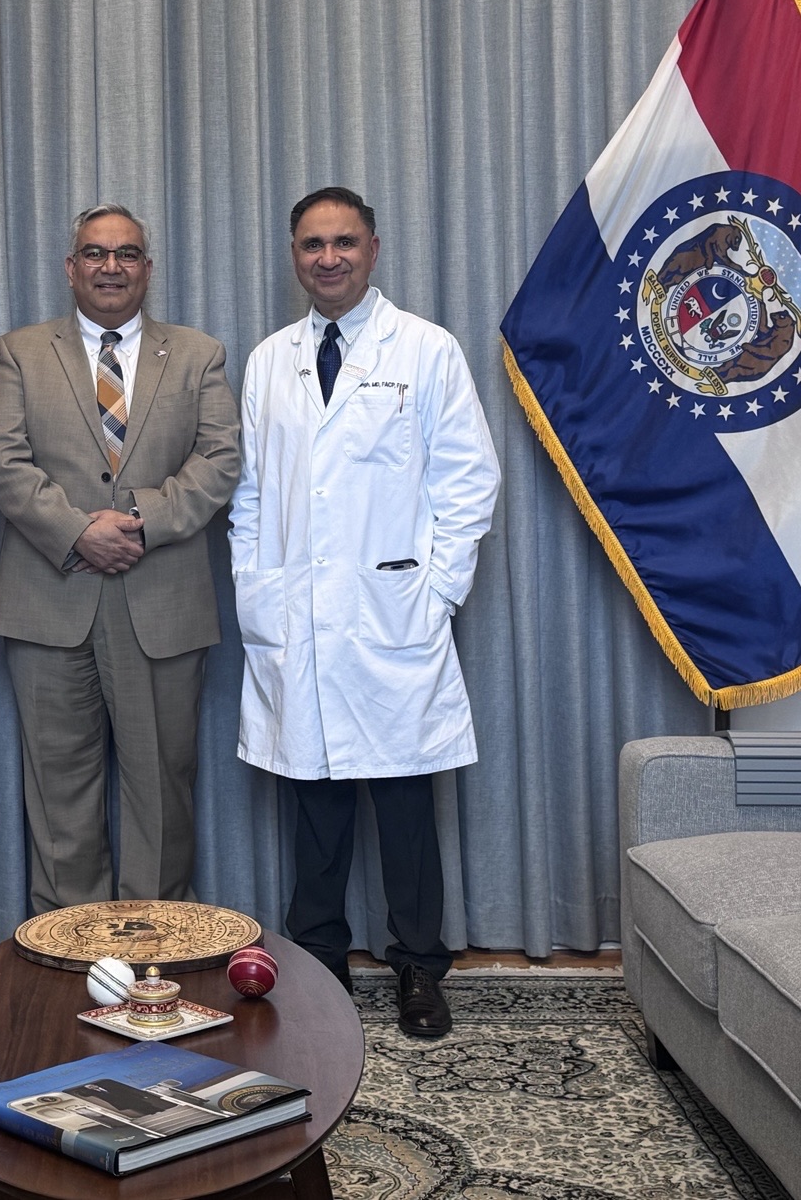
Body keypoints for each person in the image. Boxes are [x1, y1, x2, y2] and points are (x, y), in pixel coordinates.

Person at [229, 185, 500, 1039]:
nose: (329, 258)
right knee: (315, 802)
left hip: (393, 615)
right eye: (312, 244)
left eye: (344, 242)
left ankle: (420, 969)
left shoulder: (424, 349)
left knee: (406, 804)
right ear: (294, 255)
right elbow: (251, 491)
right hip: (299, 614)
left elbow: (468, 480)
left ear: (374, 250)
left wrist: (438, 591)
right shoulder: (272, 358)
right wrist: (255, 583)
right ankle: (318, 967)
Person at [0, 204, 240, 912]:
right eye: (95, 254)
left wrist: (133, 522)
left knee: (161, 789)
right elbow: (0, 460)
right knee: (59, 790)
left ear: (148, 268)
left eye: (127, 254)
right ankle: (71, 958)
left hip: (161, 600)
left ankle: (157, 962)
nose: (111, 267)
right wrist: (74, 531)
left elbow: (219, 462)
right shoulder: (20, 351)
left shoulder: (197, 354)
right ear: (71, 268)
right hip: (49, 597)